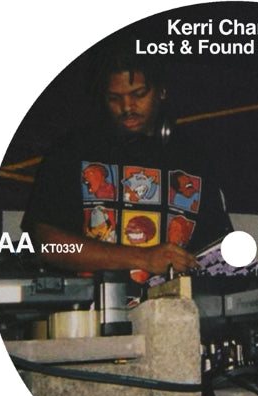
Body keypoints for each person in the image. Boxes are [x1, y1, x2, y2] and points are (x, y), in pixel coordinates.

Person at [22, 51, 232, 277]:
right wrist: (143, 258)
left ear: (161, 91)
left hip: (174, 300)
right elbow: (48, 245)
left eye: (138, 94)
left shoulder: (192, 158)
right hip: (91, 300)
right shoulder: (71, 151)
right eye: (114, 98)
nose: (127, 107)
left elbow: (216, 250)